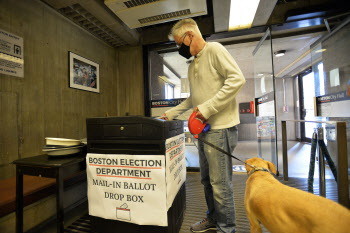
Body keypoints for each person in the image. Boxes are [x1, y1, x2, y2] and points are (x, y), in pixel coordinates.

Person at [161, 18, 245, 233]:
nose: (180, 48)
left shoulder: (215, 50)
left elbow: (236, 79)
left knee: (220, 184)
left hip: (221, 128)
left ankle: (228, 228)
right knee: (207, 181)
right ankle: (214, 219)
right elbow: (193, 99)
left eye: (180, 43)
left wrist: (208, 109)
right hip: (205, 131)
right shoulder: (192, 65)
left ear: (190, 35)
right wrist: (171, 113)